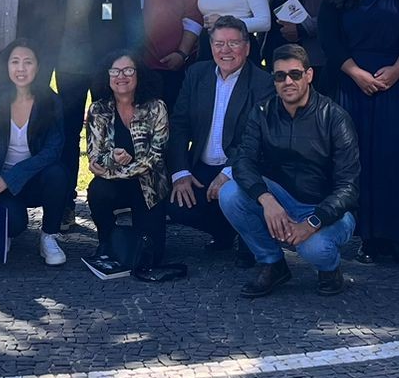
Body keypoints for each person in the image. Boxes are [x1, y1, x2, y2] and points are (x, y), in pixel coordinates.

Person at [218, 44, 359, 298]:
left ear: (309, 75)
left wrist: (312, 222)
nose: (288, 82)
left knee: (314, 248)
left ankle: (330, 269)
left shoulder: (335, 117)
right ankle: (273, 263)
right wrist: (266, 199)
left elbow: (349, 186)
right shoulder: (262, 112)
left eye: (295, 74)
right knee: (229, 194)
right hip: (280, 199)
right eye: (280, 76)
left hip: (325, 208)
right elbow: (243, 161)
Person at [319, 0, 399, 263]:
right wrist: (356, 73)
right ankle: (368, 237)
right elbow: (330, 42)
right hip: (353, 88)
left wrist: (397, 70)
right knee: (358, 162)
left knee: (394, 160)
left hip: (394, 87)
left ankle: (396, 235)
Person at [47, 0, 144, 179]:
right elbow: (48, 4)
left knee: (109, 130)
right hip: (67, 62)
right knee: (68, 131)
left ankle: (108, 192)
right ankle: (65, 197)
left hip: (107, 64)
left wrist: (131, 58)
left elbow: (132, 14)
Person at [167, 16, 271, 253]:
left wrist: (228, 173)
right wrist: (181, 172)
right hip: (202, 166)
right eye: (219, 43)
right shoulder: (196, 74)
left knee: (236, 196)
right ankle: (224, 232)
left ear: (247, 47)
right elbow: (179, 124)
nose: (225, 50)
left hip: (242, 167)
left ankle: (248, 235)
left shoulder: (263, 83)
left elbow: (256, 139)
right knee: (176, 204)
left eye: (233, 43)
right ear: (211, 46)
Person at [0, 39, 72, 266]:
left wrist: (12, 177)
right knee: (15, 224)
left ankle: (49, 236)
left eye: (28, 62)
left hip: (34, 179)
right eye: (15, 62)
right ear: (6, 66)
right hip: (0, 183)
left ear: (38, 66)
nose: (21, 68)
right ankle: (6, 231)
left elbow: (53, 150)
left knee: (58, 173)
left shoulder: (51, 101)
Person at [84, 52, 177, 282]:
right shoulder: (98, 109)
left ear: (139, 75)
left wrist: (116, 169)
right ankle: (106, 240)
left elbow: (155, 158)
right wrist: (113, 158)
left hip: (149, 187)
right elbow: (95, 160)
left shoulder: (157, 107)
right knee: (97, 190)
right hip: (113, 186)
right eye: (115, 71)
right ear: (107, 76)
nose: (121, 76)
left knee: (152, 256)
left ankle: (129, 242)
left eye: (128, 70)